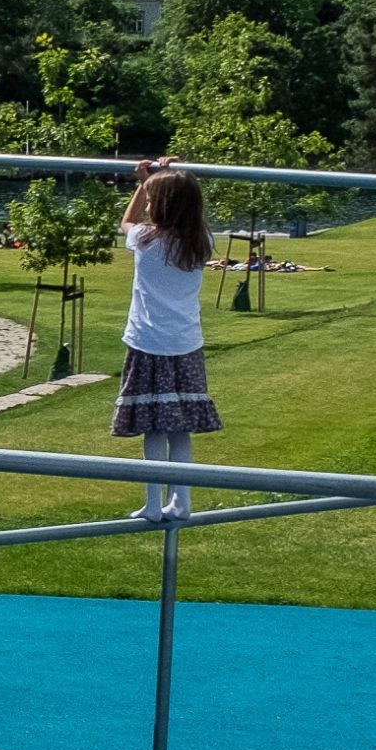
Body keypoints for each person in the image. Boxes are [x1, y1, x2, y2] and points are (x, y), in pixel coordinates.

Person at [113, 159, 220, 520]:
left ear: (158, 205)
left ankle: (154, 504)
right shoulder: (202, 241)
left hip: (148, 344)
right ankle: (183, 501)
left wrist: (144, 184)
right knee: (179, 428)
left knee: (153, 426)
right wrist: (174, 181)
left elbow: (125, 222)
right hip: (186, 344)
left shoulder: (145, 239)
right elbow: (189, 213)